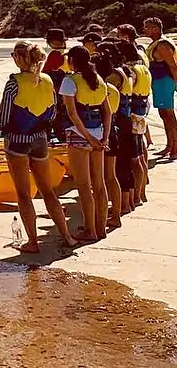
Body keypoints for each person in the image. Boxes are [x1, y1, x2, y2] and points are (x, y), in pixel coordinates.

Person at [0, 42, 76, 252]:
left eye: (14, 55)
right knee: (47, 190)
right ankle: (67, 236)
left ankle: (32, 242)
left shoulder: (14, 83)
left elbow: (4, 115)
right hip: (40, 139)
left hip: (17, 141)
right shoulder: (47, 80)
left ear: (21, 59)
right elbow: (52, 112)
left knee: (23, 194)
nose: (13, 57)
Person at [59, 46, 111, 242]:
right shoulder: (99, 80)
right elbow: (107, 111)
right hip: (98, 133)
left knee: (83, 185)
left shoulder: (69, 81)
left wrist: (88, 138)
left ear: (72, 60)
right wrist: (104, 137)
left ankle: (90, 229)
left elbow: (72, 114)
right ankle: (101, 227)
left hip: (79, 135)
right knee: (99, 183)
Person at [99, 42, 136, 217]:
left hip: (117, 125)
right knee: (126, 164)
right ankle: (128, 202)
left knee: (116, 170)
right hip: (126, 121)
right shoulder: (126, 72)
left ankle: (119, 208)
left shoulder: (109, 83)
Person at [94, 46, 126, 229]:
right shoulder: (113, 88)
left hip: (100, 133)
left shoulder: (98, 88)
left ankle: (99, 218)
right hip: (112, 132)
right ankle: (116, 215)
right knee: (111, 176)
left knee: (98, 180)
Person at [120, 37, 151, 204]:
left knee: (134, 158)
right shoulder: (143, 68)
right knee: (140, 154)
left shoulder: (131, 71)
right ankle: (142, 192)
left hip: (132, 115)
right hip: (141, 112)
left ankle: (137, 196)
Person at [143, 17, 177, 160]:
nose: (145, 30)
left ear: (156, 28)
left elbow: (172, 65)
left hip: (164, 81)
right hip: (158, 82)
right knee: (163, 115)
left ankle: (175, 147)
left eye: (147, 27)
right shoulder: (155, 44)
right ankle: (169, 146)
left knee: (169, 115)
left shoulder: (162, 45)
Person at [43, 28, 70, 143]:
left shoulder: (54, 55)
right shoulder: (66, 56)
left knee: (51, 121)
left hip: (55, 95)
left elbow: (44, 74)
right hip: (65, 93)